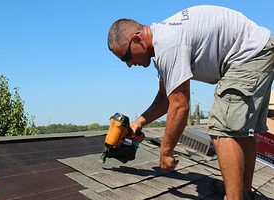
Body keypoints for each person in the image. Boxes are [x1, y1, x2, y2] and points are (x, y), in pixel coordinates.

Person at [107, 5, 273, 200]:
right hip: (259, 50)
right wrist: (138, 123)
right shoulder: (164, 42)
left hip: (249, 55)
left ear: (137, 39)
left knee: (223, 130)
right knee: (242, 131)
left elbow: (180, 105)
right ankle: (243, 192)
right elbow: (165, 97)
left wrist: (166, 151)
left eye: (126, 56)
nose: (128, 64)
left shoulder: (168, 44)